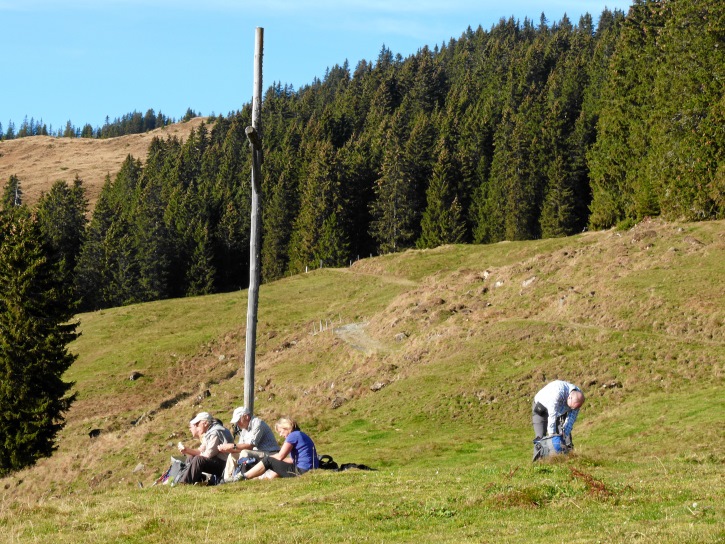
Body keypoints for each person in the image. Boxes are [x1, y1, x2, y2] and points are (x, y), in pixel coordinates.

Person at [241, 417, 319, 480]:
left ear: (286, 427)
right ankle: (262, 479)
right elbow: (291, 460)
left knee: (268, 460)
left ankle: (244, 476)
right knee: (275, 466)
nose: (281, 435)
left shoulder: (292, 436)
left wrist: (268, 458)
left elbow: (280, 456)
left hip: (301, 471)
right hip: (309, 469)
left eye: (280, 431)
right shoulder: (300, 434)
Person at [217, 406, 280, 481]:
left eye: (239, 420)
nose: (238, 424)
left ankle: (241, 477)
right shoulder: (244, 429)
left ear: (246, 416)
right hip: (257, 453)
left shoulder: (258, 424)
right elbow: (240, 447)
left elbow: (250, 446)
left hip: (270, 453)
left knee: (244, 452)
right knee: (232, 455)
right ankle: (227, 479)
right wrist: (229, 450)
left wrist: (232, 446)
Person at [176, 412, 232, 484]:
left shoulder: (215, 432)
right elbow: (201, 450)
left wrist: (196, 455)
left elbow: (209, 454)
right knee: (191, 457)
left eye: (197, 424)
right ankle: (185, 479)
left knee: (198, 459)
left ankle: (185, 483)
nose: (196, 426)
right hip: (217, 461)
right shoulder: (210, 432)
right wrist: (186, 450)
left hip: (224, 465)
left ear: (205, 423)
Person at [532, 380, 585, 449]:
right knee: (541, 439)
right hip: (541, 406)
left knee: (565, 440)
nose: (571, 409)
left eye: (573, 408)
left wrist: (564, 435)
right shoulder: (557, 393)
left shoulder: (578, 398)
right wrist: (552, 435)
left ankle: (566, 456)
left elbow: (571, 420)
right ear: (569, 397)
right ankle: (541, 458)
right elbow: (552, 415)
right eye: (570, 407)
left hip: (559, 411)